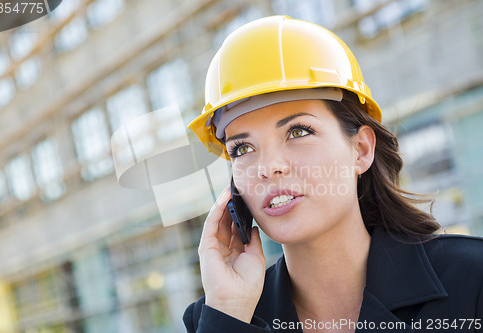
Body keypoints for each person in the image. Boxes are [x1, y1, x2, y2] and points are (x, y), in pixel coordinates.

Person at [183, 15, 483, 332]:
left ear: (362, 149)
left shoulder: (472, 280)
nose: (268, 167)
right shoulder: (218, 314)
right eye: (242, 149)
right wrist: (229, 314)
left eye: (298, 131)